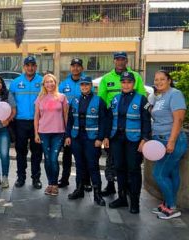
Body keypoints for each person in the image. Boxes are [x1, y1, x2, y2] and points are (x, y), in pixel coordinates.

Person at [98, 51, 147, 197]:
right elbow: (101, 100)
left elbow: (141, 99)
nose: (120, 62)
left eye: (122, 59)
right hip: (113, 124)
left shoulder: (136, 76)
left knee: (131, 164)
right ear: (114, 61)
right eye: (117, 59)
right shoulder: (106, 78)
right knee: (112, 160)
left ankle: (130, 192)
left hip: (131, 126)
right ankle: (111, 185)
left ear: (126, 61)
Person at [103, 72, 151, 214]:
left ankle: (135, 202)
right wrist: (106, 136)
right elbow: (109, 119)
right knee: (119, 168)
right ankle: (122, 198)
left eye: (129, 82)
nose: (126, 84)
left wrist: (145, 139)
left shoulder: (142, 100)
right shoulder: (115, 99)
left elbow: (146, 121)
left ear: (133, 83)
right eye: (123, 82)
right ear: (120, 83)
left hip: (134, 140)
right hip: (116, 139)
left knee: (134, 170)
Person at [150, 70, 187, 220]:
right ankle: (166, 204)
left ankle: (171, 208)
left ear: (169, 80)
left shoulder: (175, 94)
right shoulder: (159, 97)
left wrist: (171, 141)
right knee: (172, 173)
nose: (158, 82)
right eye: (156, 79)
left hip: (172, 141)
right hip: (161, 141)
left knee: (159, 174)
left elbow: (178, 120)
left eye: (162, 79)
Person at [64, 77, 107, 206]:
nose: (84, 87)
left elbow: (103, 122)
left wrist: (100, 138)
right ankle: (79, 189)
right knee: (79, 165)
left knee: (93, 166)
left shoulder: (99, 101)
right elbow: (70, 120)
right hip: (77, 137)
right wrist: (67, 135)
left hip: (92, 139)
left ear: (91, 86)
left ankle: (97, 194)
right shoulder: (75, 100)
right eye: (82, 85)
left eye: (87, 85)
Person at [9, 56, 43, 189]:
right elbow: (11, 102)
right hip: (21, 123)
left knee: (37, 153)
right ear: (24, 67)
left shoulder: (42, 81)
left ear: (36, 66)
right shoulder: (16, 82)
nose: (30, 67)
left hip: (38, 123)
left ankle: (36, 179)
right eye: (27, 65)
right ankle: (20, 177)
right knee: (21, 152)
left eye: (32, 65)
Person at [58, 58, 92, 190]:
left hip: (84, 126)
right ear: (70, 68)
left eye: (78, 66)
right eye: (73, 66)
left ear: (82, 68)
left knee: (84, 155)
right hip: (68, 124)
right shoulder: (63, 84)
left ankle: (86, 181)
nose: (76, 68)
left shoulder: (86, 82)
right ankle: (65, 179)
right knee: (66, 155)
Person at [34, 74, 68, 196]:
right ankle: (50, 184)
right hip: (43, 133)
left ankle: (55, 184)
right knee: (47, 159)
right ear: (44, 85)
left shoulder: (62, 97)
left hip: (58, 133)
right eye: (46, 82)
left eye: (51, 81)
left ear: (55, 83)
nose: (49, 84)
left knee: (53, 159)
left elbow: (66, 116)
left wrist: (67, 134)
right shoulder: (40, 98)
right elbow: (36, 117)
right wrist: (36, 133)